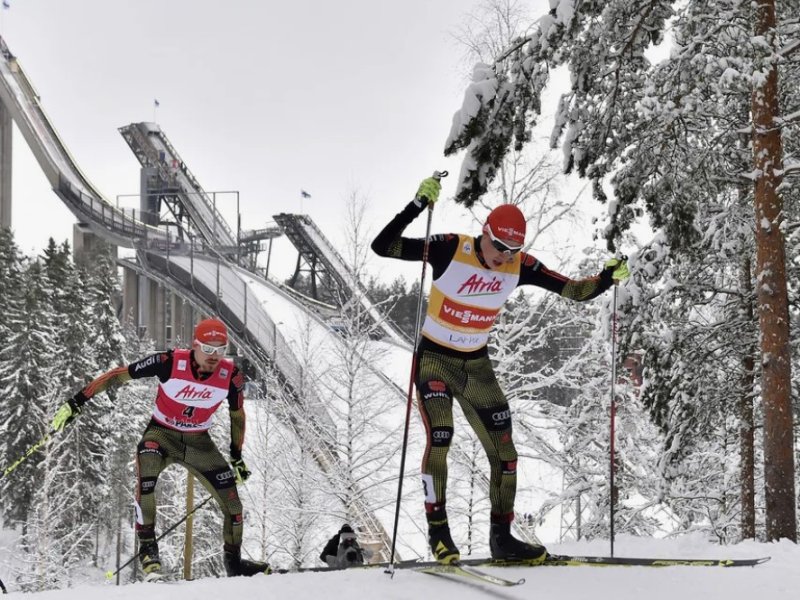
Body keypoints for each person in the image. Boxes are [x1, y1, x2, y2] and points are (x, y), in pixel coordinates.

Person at [371, 177, 629, 565]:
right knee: (441, 436)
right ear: (484, 234)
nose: (503, 256)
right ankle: (439, 533)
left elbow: (573, 291)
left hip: (476, 366)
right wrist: (416, 206)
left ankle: (501, 538)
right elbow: (383, 246)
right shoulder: (450, 248)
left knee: (506, 455)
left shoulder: (518, 265)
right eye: (499, 246)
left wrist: (607, 278)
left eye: (513, 249)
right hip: (435, 361)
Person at [50, 318, 269, 579]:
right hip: (161, 434)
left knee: (233, 506)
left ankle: (234, 564)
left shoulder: (230, 376)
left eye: (220, 350)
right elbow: (119, 374)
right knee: (147, 472)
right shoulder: (168, 362)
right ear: (194, 345)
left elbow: (237, 415)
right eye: (207, 349)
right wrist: (77, 401)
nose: (213, 357)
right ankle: (148, 550)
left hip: (198, 442)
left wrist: (237, 457)